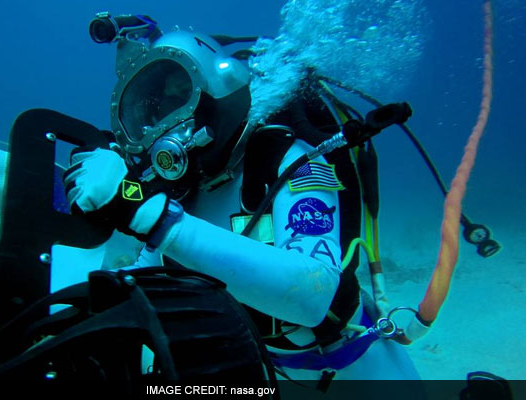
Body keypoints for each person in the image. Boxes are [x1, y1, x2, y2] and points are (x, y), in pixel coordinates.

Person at [64, 27, 421, 388]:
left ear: (215, 90)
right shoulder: (175, 193)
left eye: (179, 99)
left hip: (356, 366)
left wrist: (148, 215)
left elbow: (314, 296)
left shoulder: (289, 158)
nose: (161, 130)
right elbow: (137, 283)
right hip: (261, 369)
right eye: (149, 115)